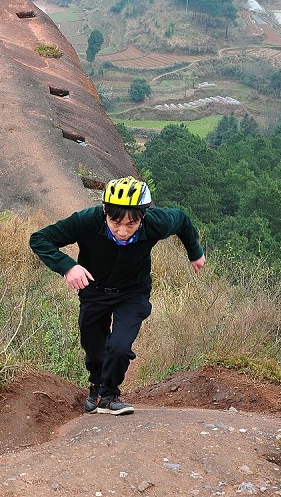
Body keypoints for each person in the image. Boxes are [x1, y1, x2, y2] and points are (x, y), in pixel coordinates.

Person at [29, 176, 206, 415]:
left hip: (133, 292)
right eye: (115, 222)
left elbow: (183, 221)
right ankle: (96, 387)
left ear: (143, 215)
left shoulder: (157, 223)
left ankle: (110, 394)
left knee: (120, 346)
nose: (122, 231)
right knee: (94, 346)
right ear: (104, 210)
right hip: (94, 290)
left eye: (131, 224)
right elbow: (40, 239)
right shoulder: (88, 221)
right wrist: (68, 266)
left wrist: (194, 251)